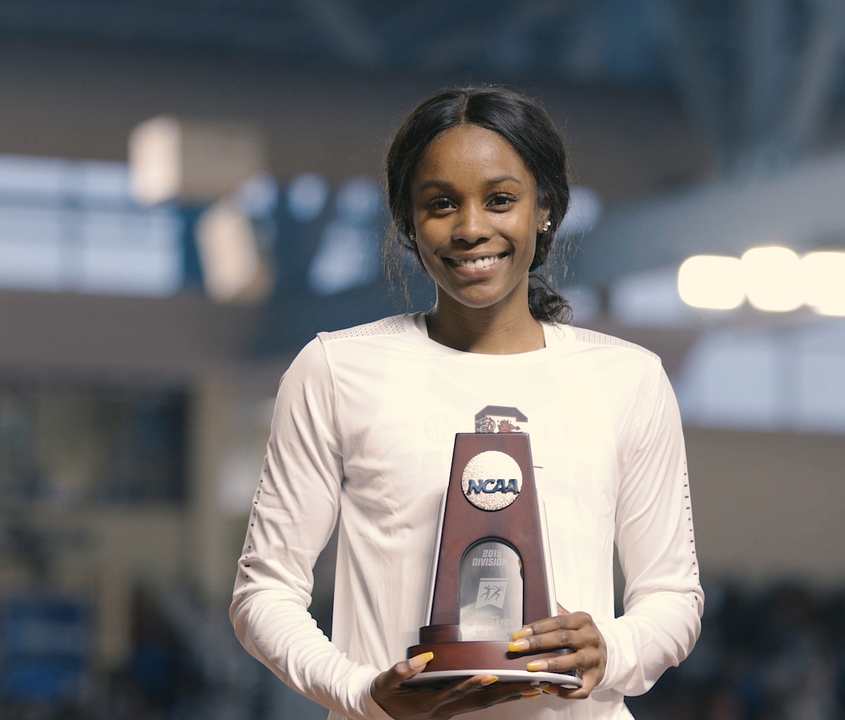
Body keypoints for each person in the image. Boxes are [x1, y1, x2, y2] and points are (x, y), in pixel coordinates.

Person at [230, 85, 702, 720]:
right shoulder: (336, 370)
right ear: (407, 221)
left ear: (547, 209)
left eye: (501, 199)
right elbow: (263, 593)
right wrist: (360, 692)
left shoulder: (628, 380)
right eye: (441, 204)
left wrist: (610, 648)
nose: (472, 227)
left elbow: (673, 595)